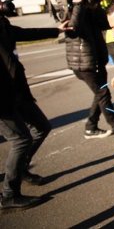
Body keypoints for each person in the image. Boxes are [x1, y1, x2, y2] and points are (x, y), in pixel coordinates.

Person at [0, 14, 68, 211]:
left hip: (16, 92)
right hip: (2, 98)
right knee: (21, 140)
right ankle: (9, 195)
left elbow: (23, 33)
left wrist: (56, 30)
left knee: (41, 127)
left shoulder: (2, 23)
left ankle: (20, 169)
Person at [65, 0, 114, 142]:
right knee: (102, 93)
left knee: (99, 94)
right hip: (83, 62)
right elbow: (74, 29)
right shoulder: (69, 10)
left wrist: (94, 1)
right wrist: (77, 6)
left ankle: (91, 126)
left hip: (96, 59)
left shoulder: (88, 9)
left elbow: (103, 23)